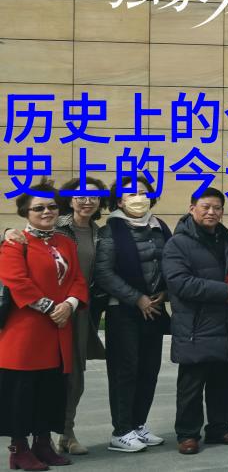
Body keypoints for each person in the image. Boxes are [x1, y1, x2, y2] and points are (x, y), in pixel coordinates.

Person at [1, 179, 109, 456]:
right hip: (29, 326)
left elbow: (78, 279)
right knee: (26, 388)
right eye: (38, 208)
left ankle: (49, 440)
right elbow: (17, 279)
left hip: (66, 322)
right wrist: (52, 308)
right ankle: (23, 447)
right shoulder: (23, 240)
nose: (46, 212)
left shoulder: (76, 239)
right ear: (26, 212)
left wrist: (69, 305)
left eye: (50, 206)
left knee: (57, 384)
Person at [161, 188, 228, 455]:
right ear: (192, 209)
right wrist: (224, 292)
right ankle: (187, 434)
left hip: (226, 323)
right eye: (206, 207)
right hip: (195, 325)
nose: (212, 212)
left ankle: (219, 429)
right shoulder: (177, 244)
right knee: (191, 385)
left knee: (223, 382)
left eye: (217, 208)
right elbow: (179, 282)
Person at [94, 176, 171, 453]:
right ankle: (121, 430)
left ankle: (138, 424)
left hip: (155, 308)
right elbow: (103, 272)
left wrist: (165, 292)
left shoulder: (159, 226)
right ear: (119, 201)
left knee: (149, 369)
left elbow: (171, 263)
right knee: (125, 371)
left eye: (143, 192)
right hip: (123, 310)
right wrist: (137, 298)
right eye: (131, 194)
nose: (138, 198)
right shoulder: (110, 230)